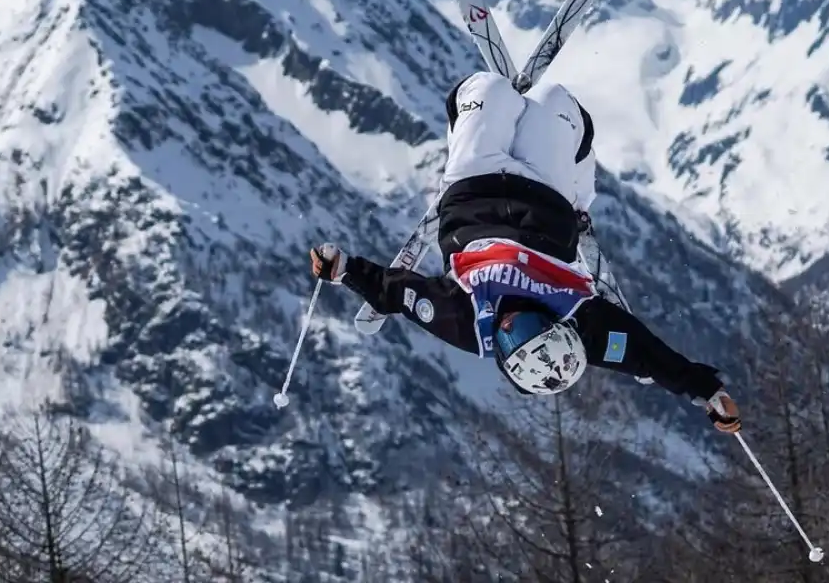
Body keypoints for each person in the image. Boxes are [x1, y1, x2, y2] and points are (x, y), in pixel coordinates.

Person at [310, 71, 741, 433]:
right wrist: (708, 392)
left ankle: (482, 116)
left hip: (472, 184)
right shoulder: (583, 327)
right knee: (559, 103)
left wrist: (342, 269)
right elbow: (650, 358)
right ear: (555, 326)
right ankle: (578, 188)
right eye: (531, 327)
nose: (512, 323)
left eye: (510, 339)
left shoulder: (465, 324)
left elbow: (397, 293)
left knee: (484, 89)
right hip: (546, 192)